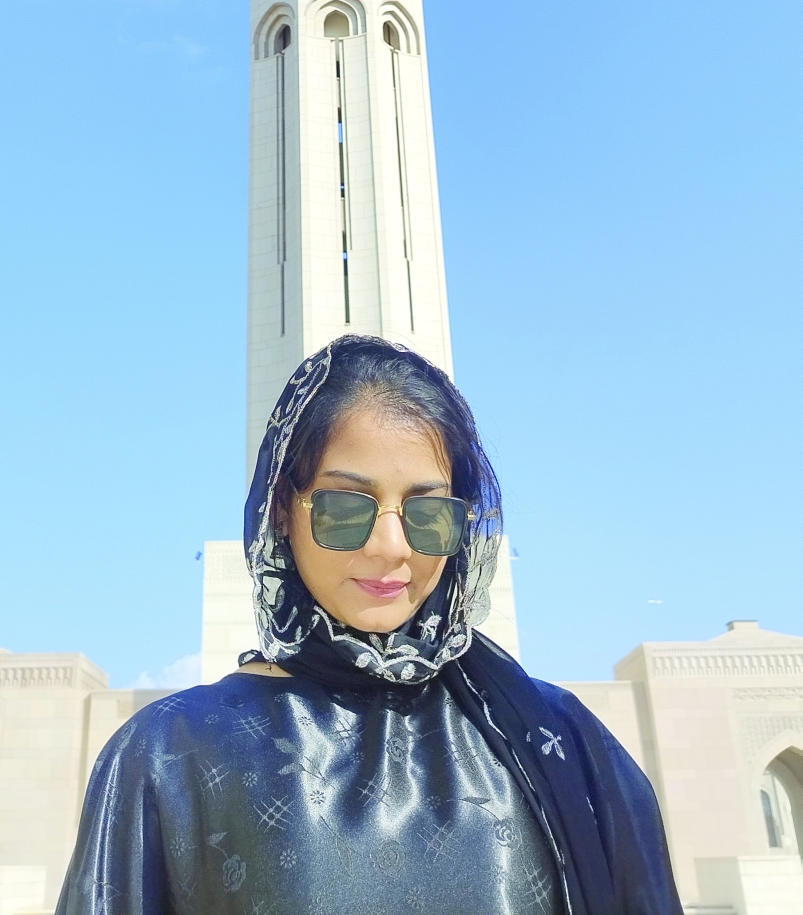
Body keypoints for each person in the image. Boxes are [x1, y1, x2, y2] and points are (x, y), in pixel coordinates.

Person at [57, 337, 683, 914]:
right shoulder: (170, 754)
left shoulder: (561, 743)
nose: (391, 547)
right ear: (283, 509)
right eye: (345, 507)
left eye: (429, 512)